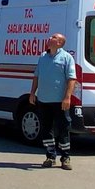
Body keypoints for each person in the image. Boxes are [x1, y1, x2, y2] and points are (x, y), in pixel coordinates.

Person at [29, 33, 77, 170]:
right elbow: (36, 76)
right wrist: (32, 93)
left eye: (54, 37)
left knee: (63, 128)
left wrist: (67, 97)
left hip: (60, 101)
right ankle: (50, 156)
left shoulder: (67, 58)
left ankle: (65, 157)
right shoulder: (42, 57)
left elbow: (71, 79)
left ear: (60, 43)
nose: (50, 38)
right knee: (46, 129)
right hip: (44, 100)